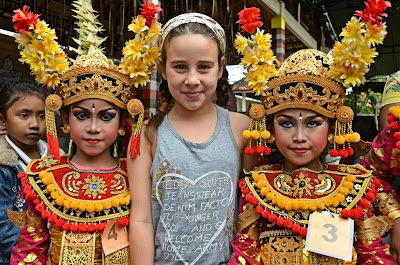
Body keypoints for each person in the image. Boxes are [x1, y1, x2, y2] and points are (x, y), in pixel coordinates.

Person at [229, 2, 397, 264]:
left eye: (312, 123)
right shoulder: (257, 188)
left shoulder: (355, 187)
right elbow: (244, 256)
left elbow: (373, 256)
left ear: (332, 129)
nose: (298, 136)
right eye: (286, 123)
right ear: (270, 130)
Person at [8, 1, 147, 264]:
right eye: (81, 115)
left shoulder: (136, 176)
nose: (93, 128)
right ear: (64, 120)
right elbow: (30, 252)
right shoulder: (45, 177)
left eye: (106, 117)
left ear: (121, 124)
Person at [128, 13, 256, 264]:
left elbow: (249, 212)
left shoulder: (242, 129)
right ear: (162, 68)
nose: (192, 80)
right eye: (180, 67)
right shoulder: (146, 135)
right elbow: (141, 219)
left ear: (221, 68)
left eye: (204, 67)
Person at [0, 81, 48, 265]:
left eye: (41, 116)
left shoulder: (56, 159)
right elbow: (5, 230)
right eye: (24, 115)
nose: (35, 124)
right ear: (3, 120)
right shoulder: (4, 167)